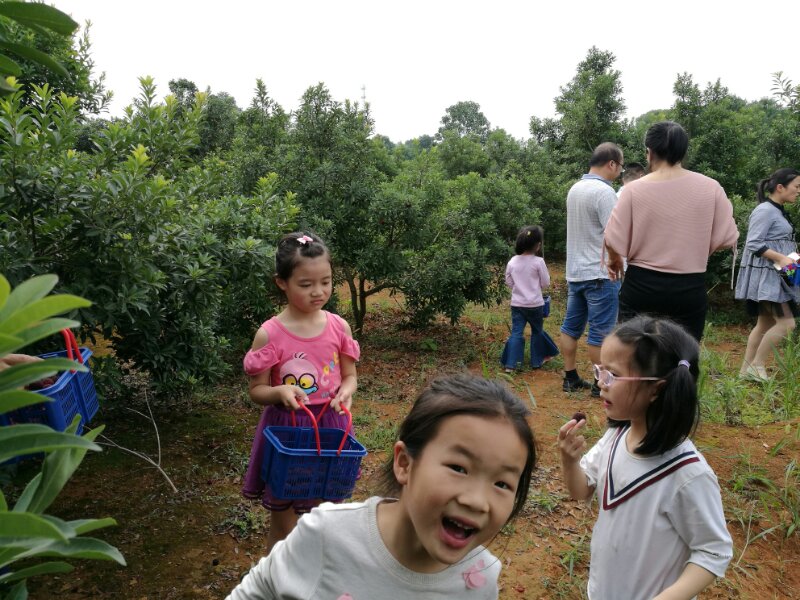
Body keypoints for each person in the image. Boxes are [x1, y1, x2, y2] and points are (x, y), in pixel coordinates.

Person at [227, 373, 537, 600]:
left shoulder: (481, 579)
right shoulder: (328, 535)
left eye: (502, 483)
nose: (478, 501)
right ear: (404, 464)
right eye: (459, 468)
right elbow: (256, 591)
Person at [558, 316, 732, 600]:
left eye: (612, 375)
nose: (600, 383)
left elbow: (714, 550)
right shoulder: (615, 438)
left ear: (657, 389)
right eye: (599, 371)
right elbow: (581, 490)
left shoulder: (688, 474)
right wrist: (569, 461)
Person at [242, 231, 360, 552]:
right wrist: (279, 391)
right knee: (284, 518)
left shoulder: (339, 327)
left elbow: (350, 377)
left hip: (329, 428)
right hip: (288, 431)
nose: (318, 292)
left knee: (323, 513)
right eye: (306, 285)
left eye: (326, 281)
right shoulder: (270, 334)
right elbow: (257, 390)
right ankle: (276, 578)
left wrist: (345, 392)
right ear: (282, 282)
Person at [604, 121, 739, 342]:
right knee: (683, 356)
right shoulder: (711, 187)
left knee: (632, 356)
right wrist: (697, 251)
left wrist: (615, 259)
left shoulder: (633, 190)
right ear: (683, 152)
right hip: (689, 286)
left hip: (642, 285)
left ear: (649, 152)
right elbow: (727, 237)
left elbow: (612, 237)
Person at [560, 142, 624, 396]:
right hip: (600, 273)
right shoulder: (605, 192)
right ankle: (602, 385)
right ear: (611, 164)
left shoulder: (575, 189)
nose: (619, 172)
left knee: (571, 327)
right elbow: (613, 234)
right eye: (619, 166)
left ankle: (570, 377)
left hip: (576, 271)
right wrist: (617, 260)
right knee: (600, 333)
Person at [735, 168, 800, 381]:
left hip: (780, 274)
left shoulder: (778, 210)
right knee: (787, 323)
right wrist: (781, 258)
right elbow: (754, 243)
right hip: (769, 276)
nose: (798, 191)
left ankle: (745, 372)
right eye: (796, 186)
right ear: (780, 187)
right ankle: (757, 365)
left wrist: (791, 261)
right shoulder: (765, 210)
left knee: (764, 324)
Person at [500, 225, 555, 373]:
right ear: (538, 245)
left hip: (517, 304)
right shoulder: (538, 262)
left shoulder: (512, 261)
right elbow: (545, 283)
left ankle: (511, 365)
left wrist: (519, 288)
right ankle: (537, 361)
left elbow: (509, 282)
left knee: (517, 332)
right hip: (535, 304)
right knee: (537, 331)